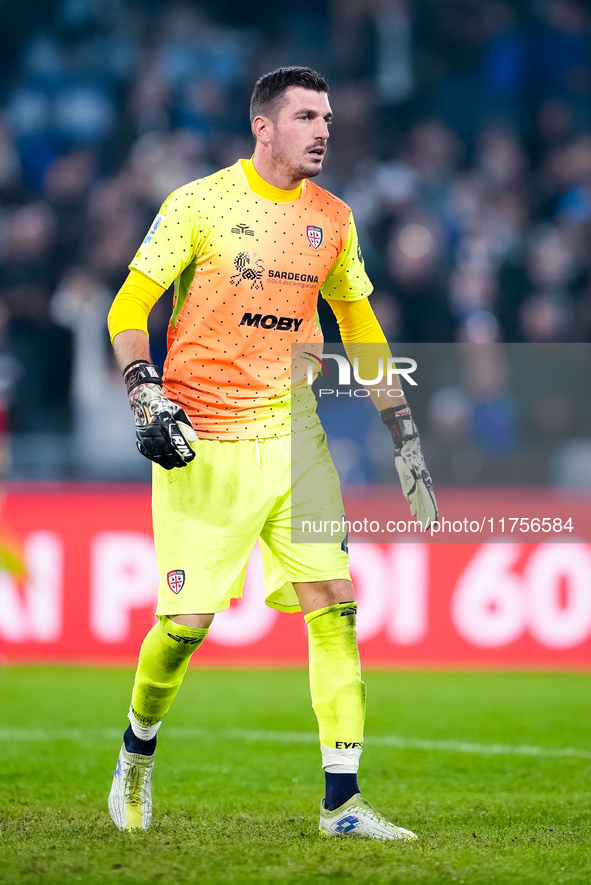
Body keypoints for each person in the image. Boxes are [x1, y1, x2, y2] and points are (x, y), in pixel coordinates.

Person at [106, 66, 437, 840]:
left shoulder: (334, 217)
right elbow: (129, 305)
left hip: (295, 438)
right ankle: (136, 752)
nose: (323, 130)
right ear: (264, 126)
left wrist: (403, 431)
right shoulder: (198, 204)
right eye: (305, 117)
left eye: (327, 117)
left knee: (334, 607)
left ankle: (343, 805)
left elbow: (359, 326)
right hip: (205, 443)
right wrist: (142, 388)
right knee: (185, 624)